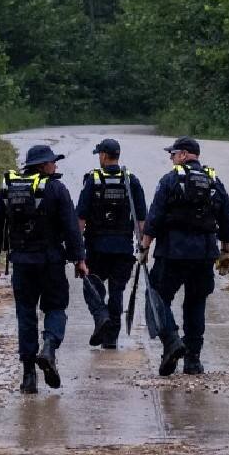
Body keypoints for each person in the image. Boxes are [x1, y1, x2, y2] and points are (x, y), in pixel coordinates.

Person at [0, 144, 89, 394]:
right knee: (56, 308)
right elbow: (71, 228)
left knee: (26, 314)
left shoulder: (9, 189)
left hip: (21, 263)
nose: (56, 165)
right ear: (43, 166)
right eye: (53, 162)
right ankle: (49, 347)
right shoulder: (56, 189)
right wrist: (79, 259)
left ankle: (28, 376)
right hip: (51, 263)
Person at [141, 136, 229, 376]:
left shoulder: (171, 180)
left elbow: (155, 217)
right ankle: (193, 360)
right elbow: (227, 218)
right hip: (204, 253)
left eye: (172, 154)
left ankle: (171, 341)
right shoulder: (214, 181)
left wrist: (144, 248)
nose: (171, 159)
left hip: (173, 253)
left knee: (157, 297)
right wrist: (225, 252)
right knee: (196, 302)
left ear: (183, 155)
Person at [76, 137, 147, 349]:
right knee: (117, 292)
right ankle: (111, 338)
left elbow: (81, 217)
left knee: (92, 288)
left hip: (96, 248)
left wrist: (77, 247)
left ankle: (101, 317)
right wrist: (142, 247)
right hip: (123, 248)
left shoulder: (93, 180)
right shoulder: (131, 181)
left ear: (104, 156)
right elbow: (140, 219)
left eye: (99, 154)